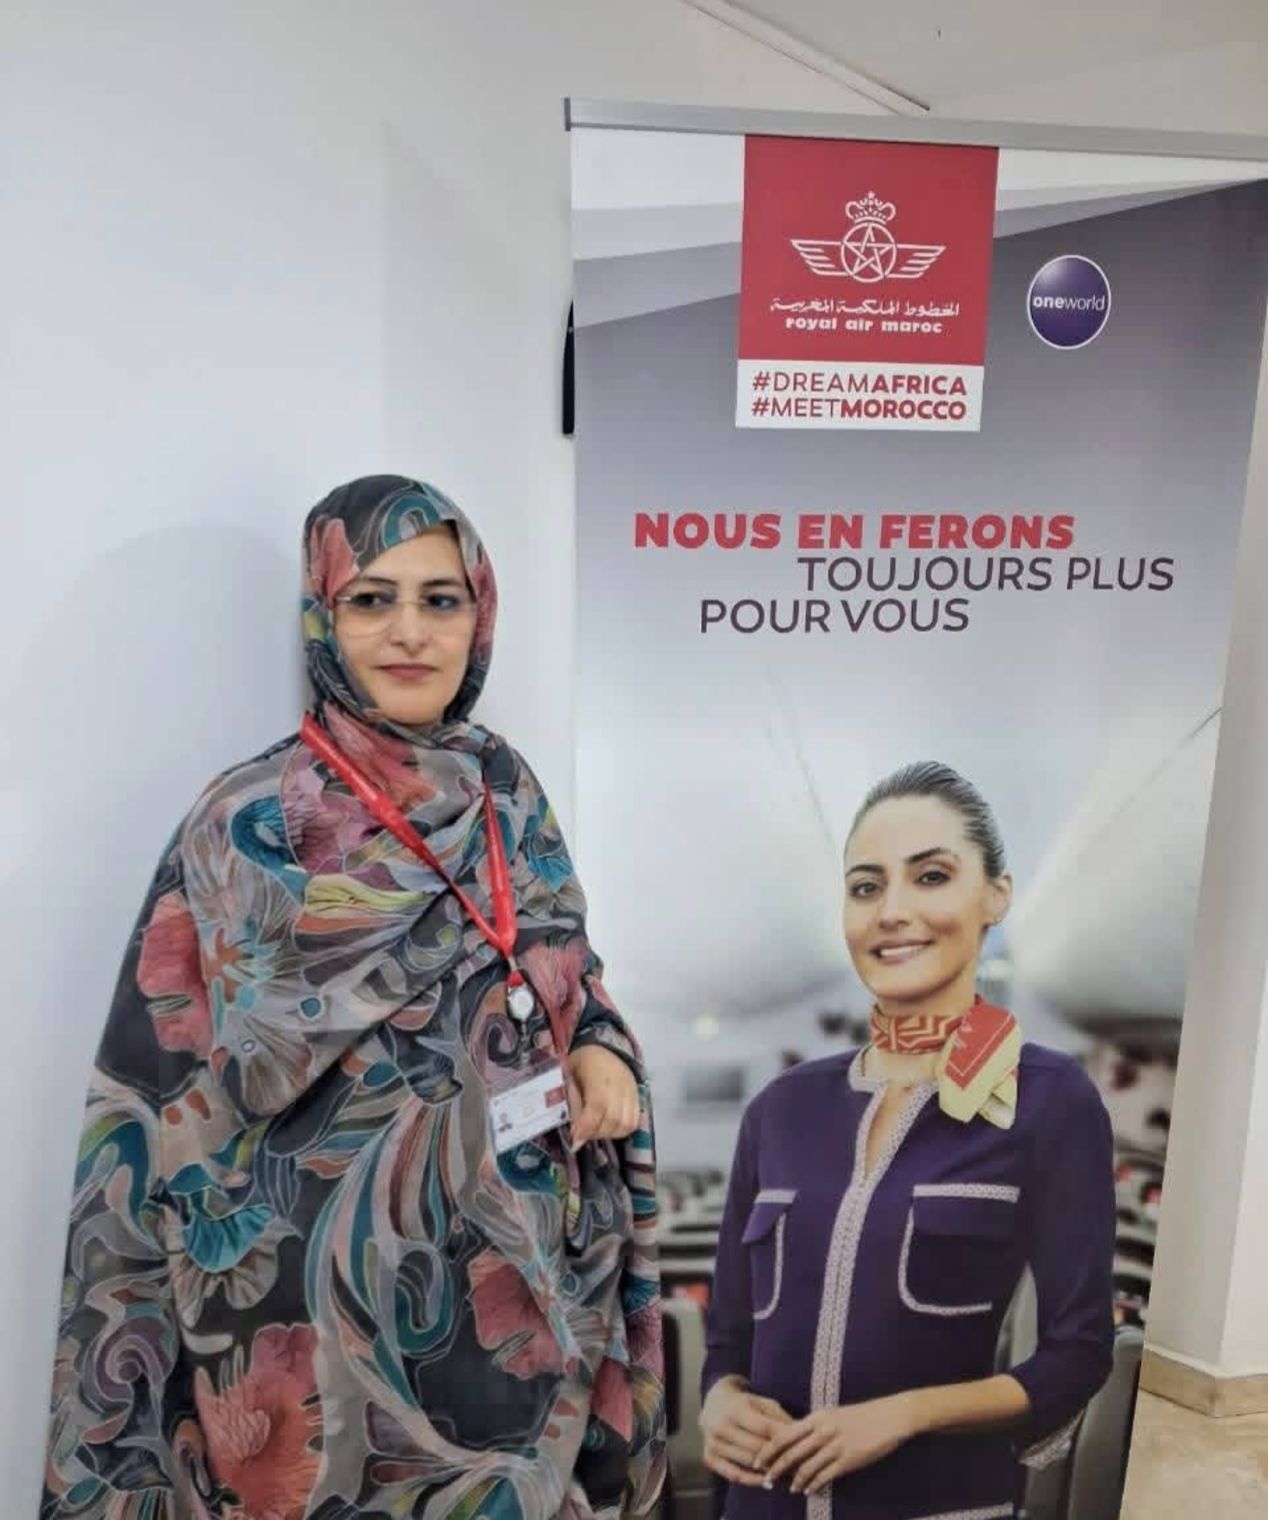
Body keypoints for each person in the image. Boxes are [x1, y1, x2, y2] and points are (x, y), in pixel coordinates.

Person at [43, 475, 665, 1520]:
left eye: (440, 599)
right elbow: (186, 1074)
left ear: (479, 616)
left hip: (511, 1300)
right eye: (372, 599)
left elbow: (561, 963)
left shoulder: (506, 792)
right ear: (321, 615)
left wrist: (598, 1041)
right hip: (307, 1331)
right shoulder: (248, 816)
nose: (409, 631)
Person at [699, 763, 1115, 1520]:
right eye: (866, 887)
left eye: (931, 877)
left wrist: (905, 1414)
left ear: (996, 895)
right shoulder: (780, 1109)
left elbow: (1078, 1353)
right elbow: (729, 1336)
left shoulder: (1050, 1099)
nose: (893, 911)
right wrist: (719, 1400)